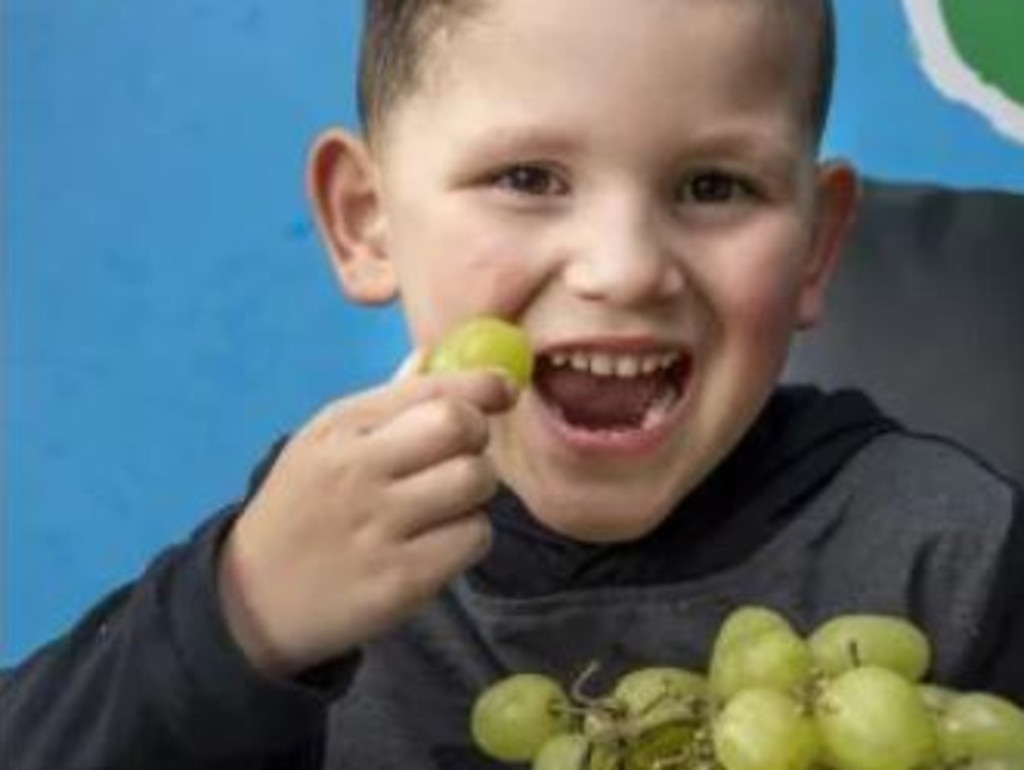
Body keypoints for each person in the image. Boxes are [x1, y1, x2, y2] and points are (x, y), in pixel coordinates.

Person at [3, 0, 1021, 768]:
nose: (623, 266)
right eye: (528, 178)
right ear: (366, 219)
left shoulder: (953, 545)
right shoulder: (319, 541)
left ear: (813, 248)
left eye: (714, 185)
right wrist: (243, 612)